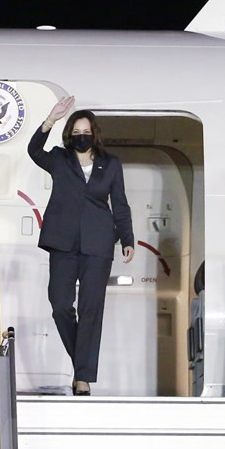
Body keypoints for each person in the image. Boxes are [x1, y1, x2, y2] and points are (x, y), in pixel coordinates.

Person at [27, 95, 134, 396]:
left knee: (91, 309)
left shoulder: (110, 165)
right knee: (60, 305)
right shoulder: (59, 160)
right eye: (75, 133)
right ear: (69, 135)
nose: (81, 137)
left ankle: (82, 378)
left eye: (85, 132)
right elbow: (34, 150)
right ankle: (82, 366)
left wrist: (128, 238)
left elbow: (121, 203)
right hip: (62, 242)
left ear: (94, 133)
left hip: (99, 243)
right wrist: (50, 119)